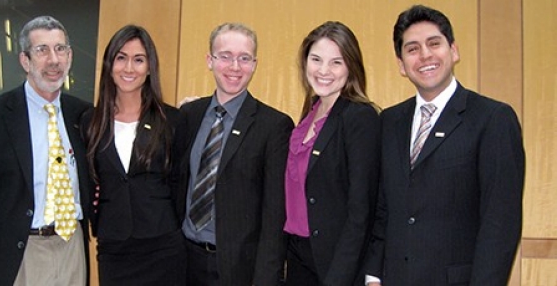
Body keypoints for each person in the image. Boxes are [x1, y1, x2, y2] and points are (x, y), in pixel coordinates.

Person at [365, 5, 525, 285]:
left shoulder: (492, 119)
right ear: (402, 65)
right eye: (412, 49)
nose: (425, 55)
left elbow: (500, 223)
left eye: (434, 43)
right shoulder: (389, 121)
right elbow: (383, 208)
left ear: (453, 51)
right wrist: (373, 275)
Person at [0, 16, 92, 285]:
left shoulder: (84, 115)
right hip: (19, 253)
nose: (53, 60)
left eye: (60, 49)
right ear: (25, 60)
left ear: (69, 57)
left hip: (72, 248)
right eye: (42, 50)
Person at [171, 22, 294, 285]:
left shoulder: (274, 126)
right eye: (225, 56)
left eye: (244, 58)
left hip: (238, 270)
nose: (235, 67)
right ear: (209, 60)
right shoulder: (188, 115)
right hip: (183, 262)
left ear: (255, 64)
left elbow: (275, 216)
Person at [83, 24, 185, 285]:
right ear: (109, 64)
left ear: (150, 67)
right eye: (121, 58)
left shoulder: (172, 119)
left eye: (139, 60)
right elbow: (88, 181)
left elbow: (180, 183)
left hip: (163, 246)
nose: (129, 68)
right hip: (113, 248)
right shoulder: (90, 122)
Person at [283, 21, 380, 286]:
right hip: (298, 255)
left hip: (335, 263)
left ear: (351, 66)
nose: (324, 71)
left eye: (336, 62)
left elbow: (361, 211)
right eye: (316, 59)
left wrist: (339, 278)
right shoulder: (310, 112)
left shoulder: (360, 117)